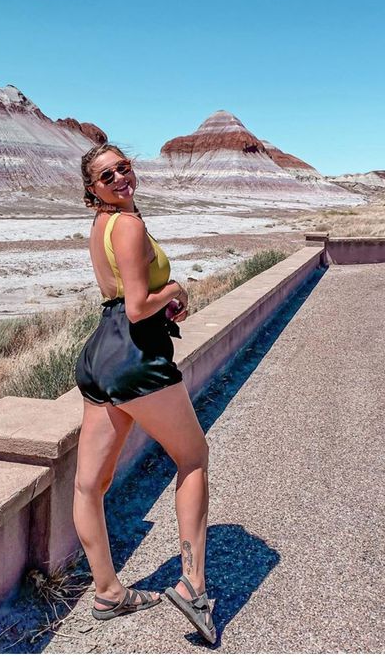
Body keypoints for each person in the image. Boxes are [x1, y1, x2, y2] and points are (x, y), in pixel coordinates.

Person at [72, 143, 216, 643]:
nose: (119, 178)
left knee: (89, 485)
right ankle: (193, 587)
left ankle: (108, 592)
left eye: (123, 167)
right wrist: (173, 290)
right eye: (107, 175)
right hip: (135, 355)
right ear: (93, 189)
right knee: (193, 458)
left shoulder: (102, 225)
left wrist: (159, 302)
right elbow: (136, 306)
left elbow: (119, 296)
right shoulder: (128, 225)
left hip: (101, 355)